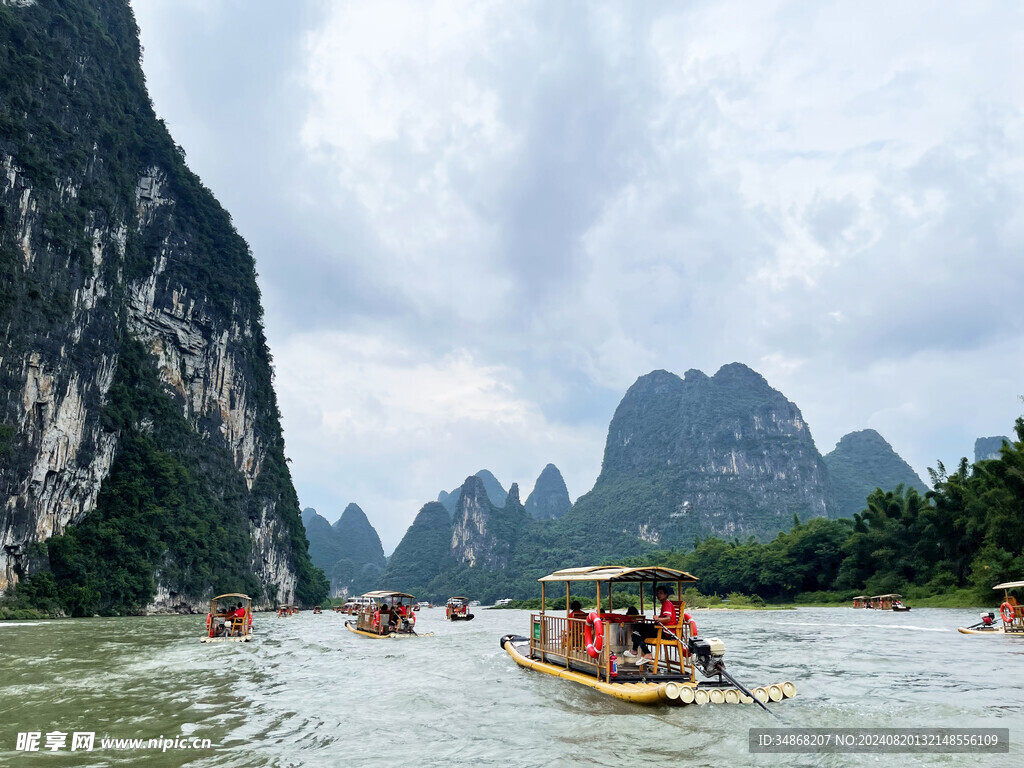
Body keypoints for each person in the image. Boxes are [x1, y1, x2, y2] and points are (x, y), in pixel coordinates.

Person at [623, 586, 677, 666]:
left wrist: (658, 618)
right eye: (658, 593)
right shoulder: (665, 604)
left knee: (638, 628)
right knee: (638, 633)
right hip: (660, 629)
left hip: (665, 632)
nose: (659, 595)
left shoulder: (667, 603)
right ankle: (645, 653)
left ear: (666, 595)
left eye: (661, 593)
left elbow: (668, 619)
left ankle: (637, 651)